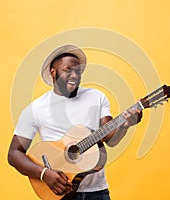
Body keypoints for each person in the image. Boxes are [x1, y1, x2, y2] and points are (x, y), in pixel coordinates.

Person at [8, 44, 143, 200]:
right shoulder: (35, 109)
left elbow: (111, 139)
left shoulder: (96, 97)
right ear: (53, 72)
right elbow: (14, 153)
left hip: (97, 193)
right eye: (68, 70)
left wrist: (125, 125)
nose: (74, 75)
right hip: (59, 191)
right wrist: (44, 174)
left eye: (78, 71)